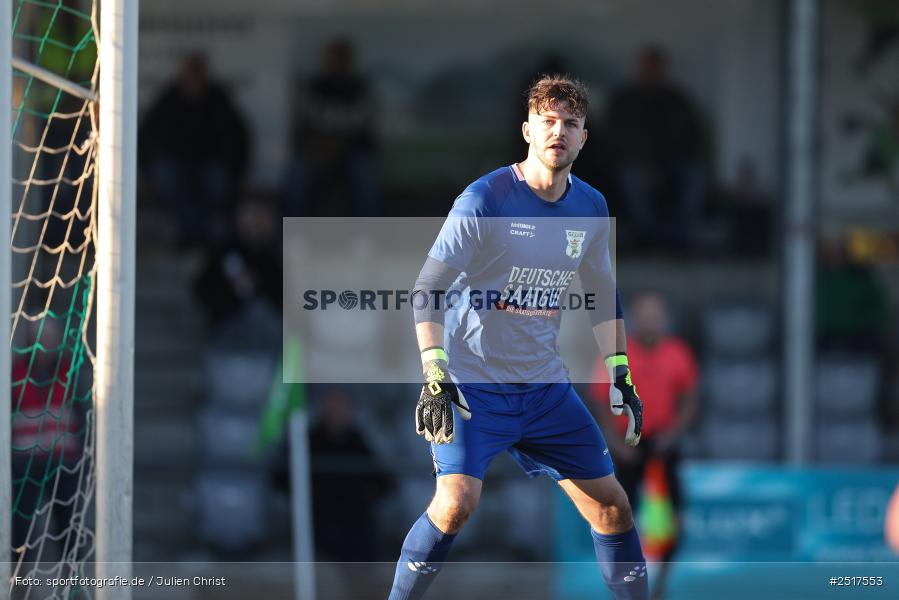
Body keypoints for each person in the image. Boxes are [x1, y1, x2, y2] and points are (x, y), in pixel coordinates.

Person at [388, 75, 648, 600]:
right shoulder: (485, 199)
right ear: (527, 130)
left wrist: (620, 369)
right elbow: (427, 288)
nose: (559, 131)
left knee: (613, 506)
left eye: (570, 124)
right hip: (471, 388)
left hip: (545, 389)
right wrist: (435, 374)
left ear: (583, 138)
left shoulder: (591, 207)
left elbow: (601, 292)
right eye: (548, 121)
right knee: (456, 505)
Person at [591, 291, 699, 600]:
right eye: (644, 315)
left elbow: (690, 398)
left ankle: (660, 588)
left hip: (663, 445)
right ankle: (625, 587)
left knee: (672, 520)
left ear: (664, 319)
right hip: (627, 447)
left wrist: (674, 433)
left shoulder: (678, 352)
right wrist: (614, 443)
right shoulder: (616, 354)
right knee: (619, 519)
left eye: (656, 315)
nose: (650, 321)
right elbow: (599, 401)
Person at [139, 52, 250, 246]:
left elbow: (239, 138)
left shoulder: (218, 99)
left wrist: (237, 173)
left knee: (217, 180)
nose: (194, 78)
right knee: (167, 177)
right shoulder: (169, 98)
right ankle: (191, 233)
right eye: (190, 72)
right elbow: (146, 137)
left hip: (209, 166)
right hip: (175, 166)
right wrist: (146, 173)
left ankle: (200, 234)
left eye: (198, 72)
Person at [608, 46, 706, 252]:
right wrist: (646, 166)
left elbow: (692, 139)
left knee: (695, 174)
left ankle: (681, 236)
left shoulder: (678, 100)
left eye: (656, 67)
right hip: (634, 164)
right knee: (631, 176)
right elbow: (618, 140)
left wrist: (663, 166)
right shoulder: (625, 100)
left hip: (673, 163)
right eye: (647, 67)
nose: (652, 72)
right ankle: (645, 235)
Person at [283, 38, 378, 217]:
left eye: (341, 58)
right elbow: (310, 116)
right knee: (297, 175)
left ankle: (367, 234)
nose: (336, 63)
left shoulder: (359, 86)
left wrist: (333, 124)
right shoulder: (315, 86)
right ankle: (294, 231)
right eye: (332, 58)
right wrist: (337, 124)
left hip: (353, 149)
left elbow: (360, 119)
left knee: (367, 178)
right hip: (319, 150)